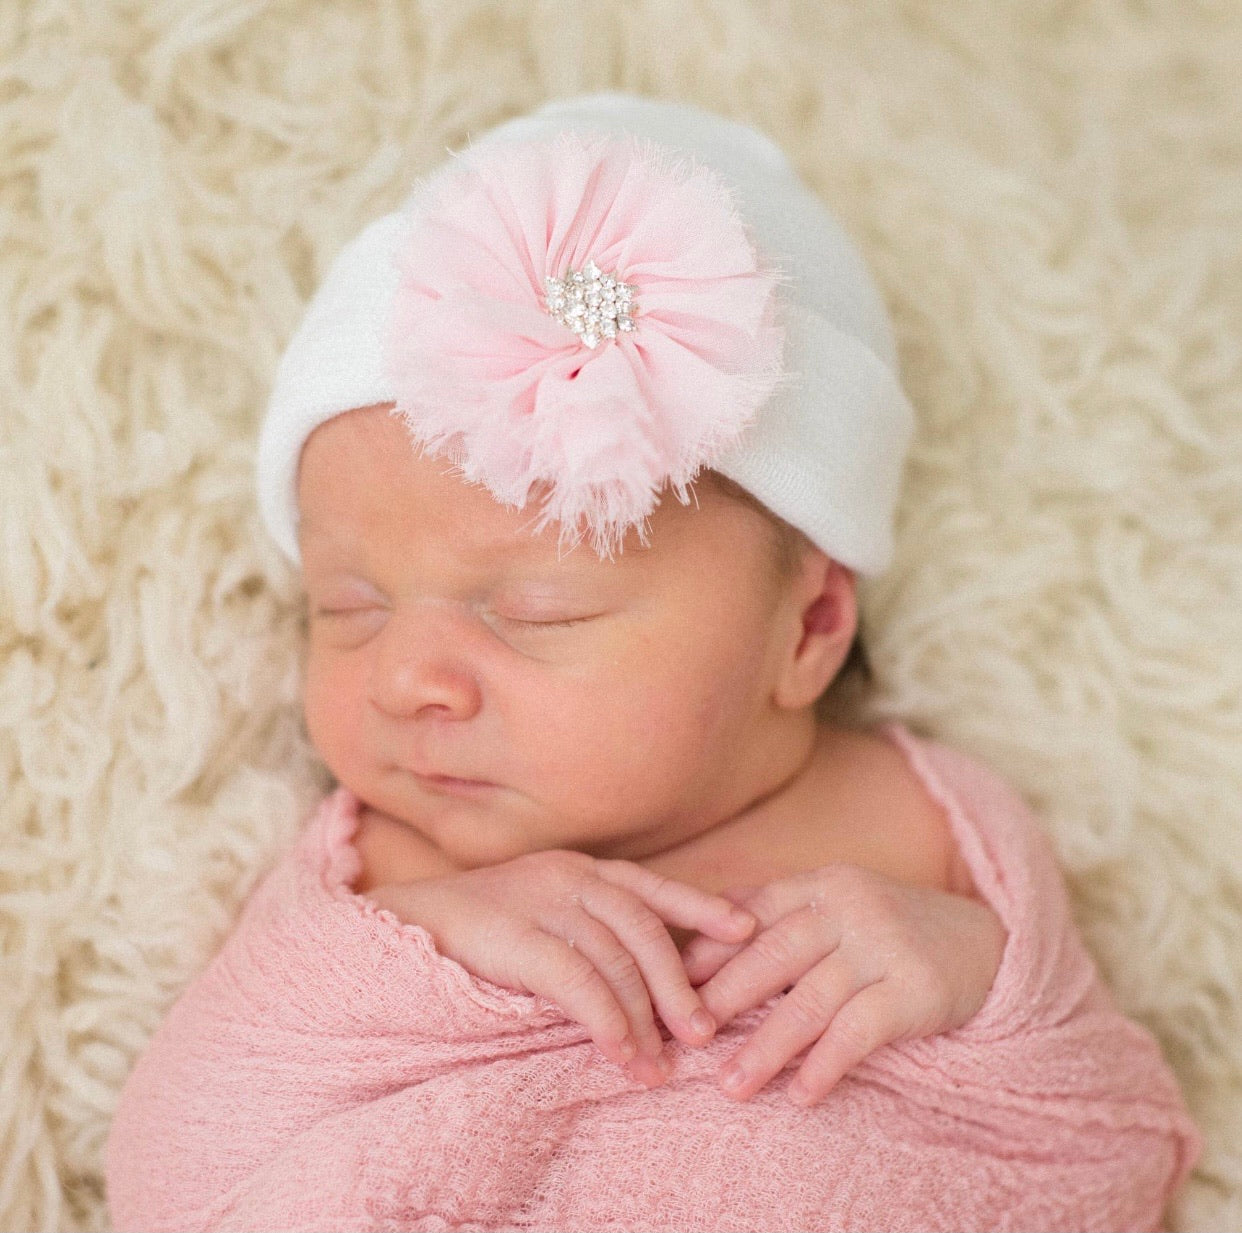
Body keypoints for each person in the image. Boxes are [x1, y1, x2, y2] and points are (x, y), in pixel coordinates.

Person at [104, 91, 1199, 1232]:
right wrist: (426, 951)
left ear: (810, 628)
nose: (407, 681)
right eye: (350, 606)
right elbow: (177, 1172)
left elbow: (1117, 1151)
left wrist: (976, 976)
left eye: (537, 610)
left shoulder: (930, 827)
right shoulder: (386, 879)